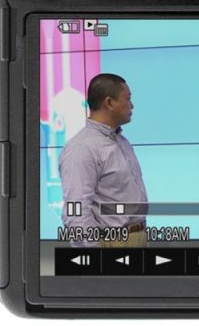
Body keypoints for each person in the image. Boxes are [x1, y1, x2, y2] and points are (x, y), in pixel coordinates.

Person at [59, 73, 148, 248]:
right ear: (109, 103)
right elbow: (75, 212)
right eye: (128, 98)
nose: (132, 105)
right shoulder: (82, 149)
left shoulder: (121, 142)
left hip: (136, 238)